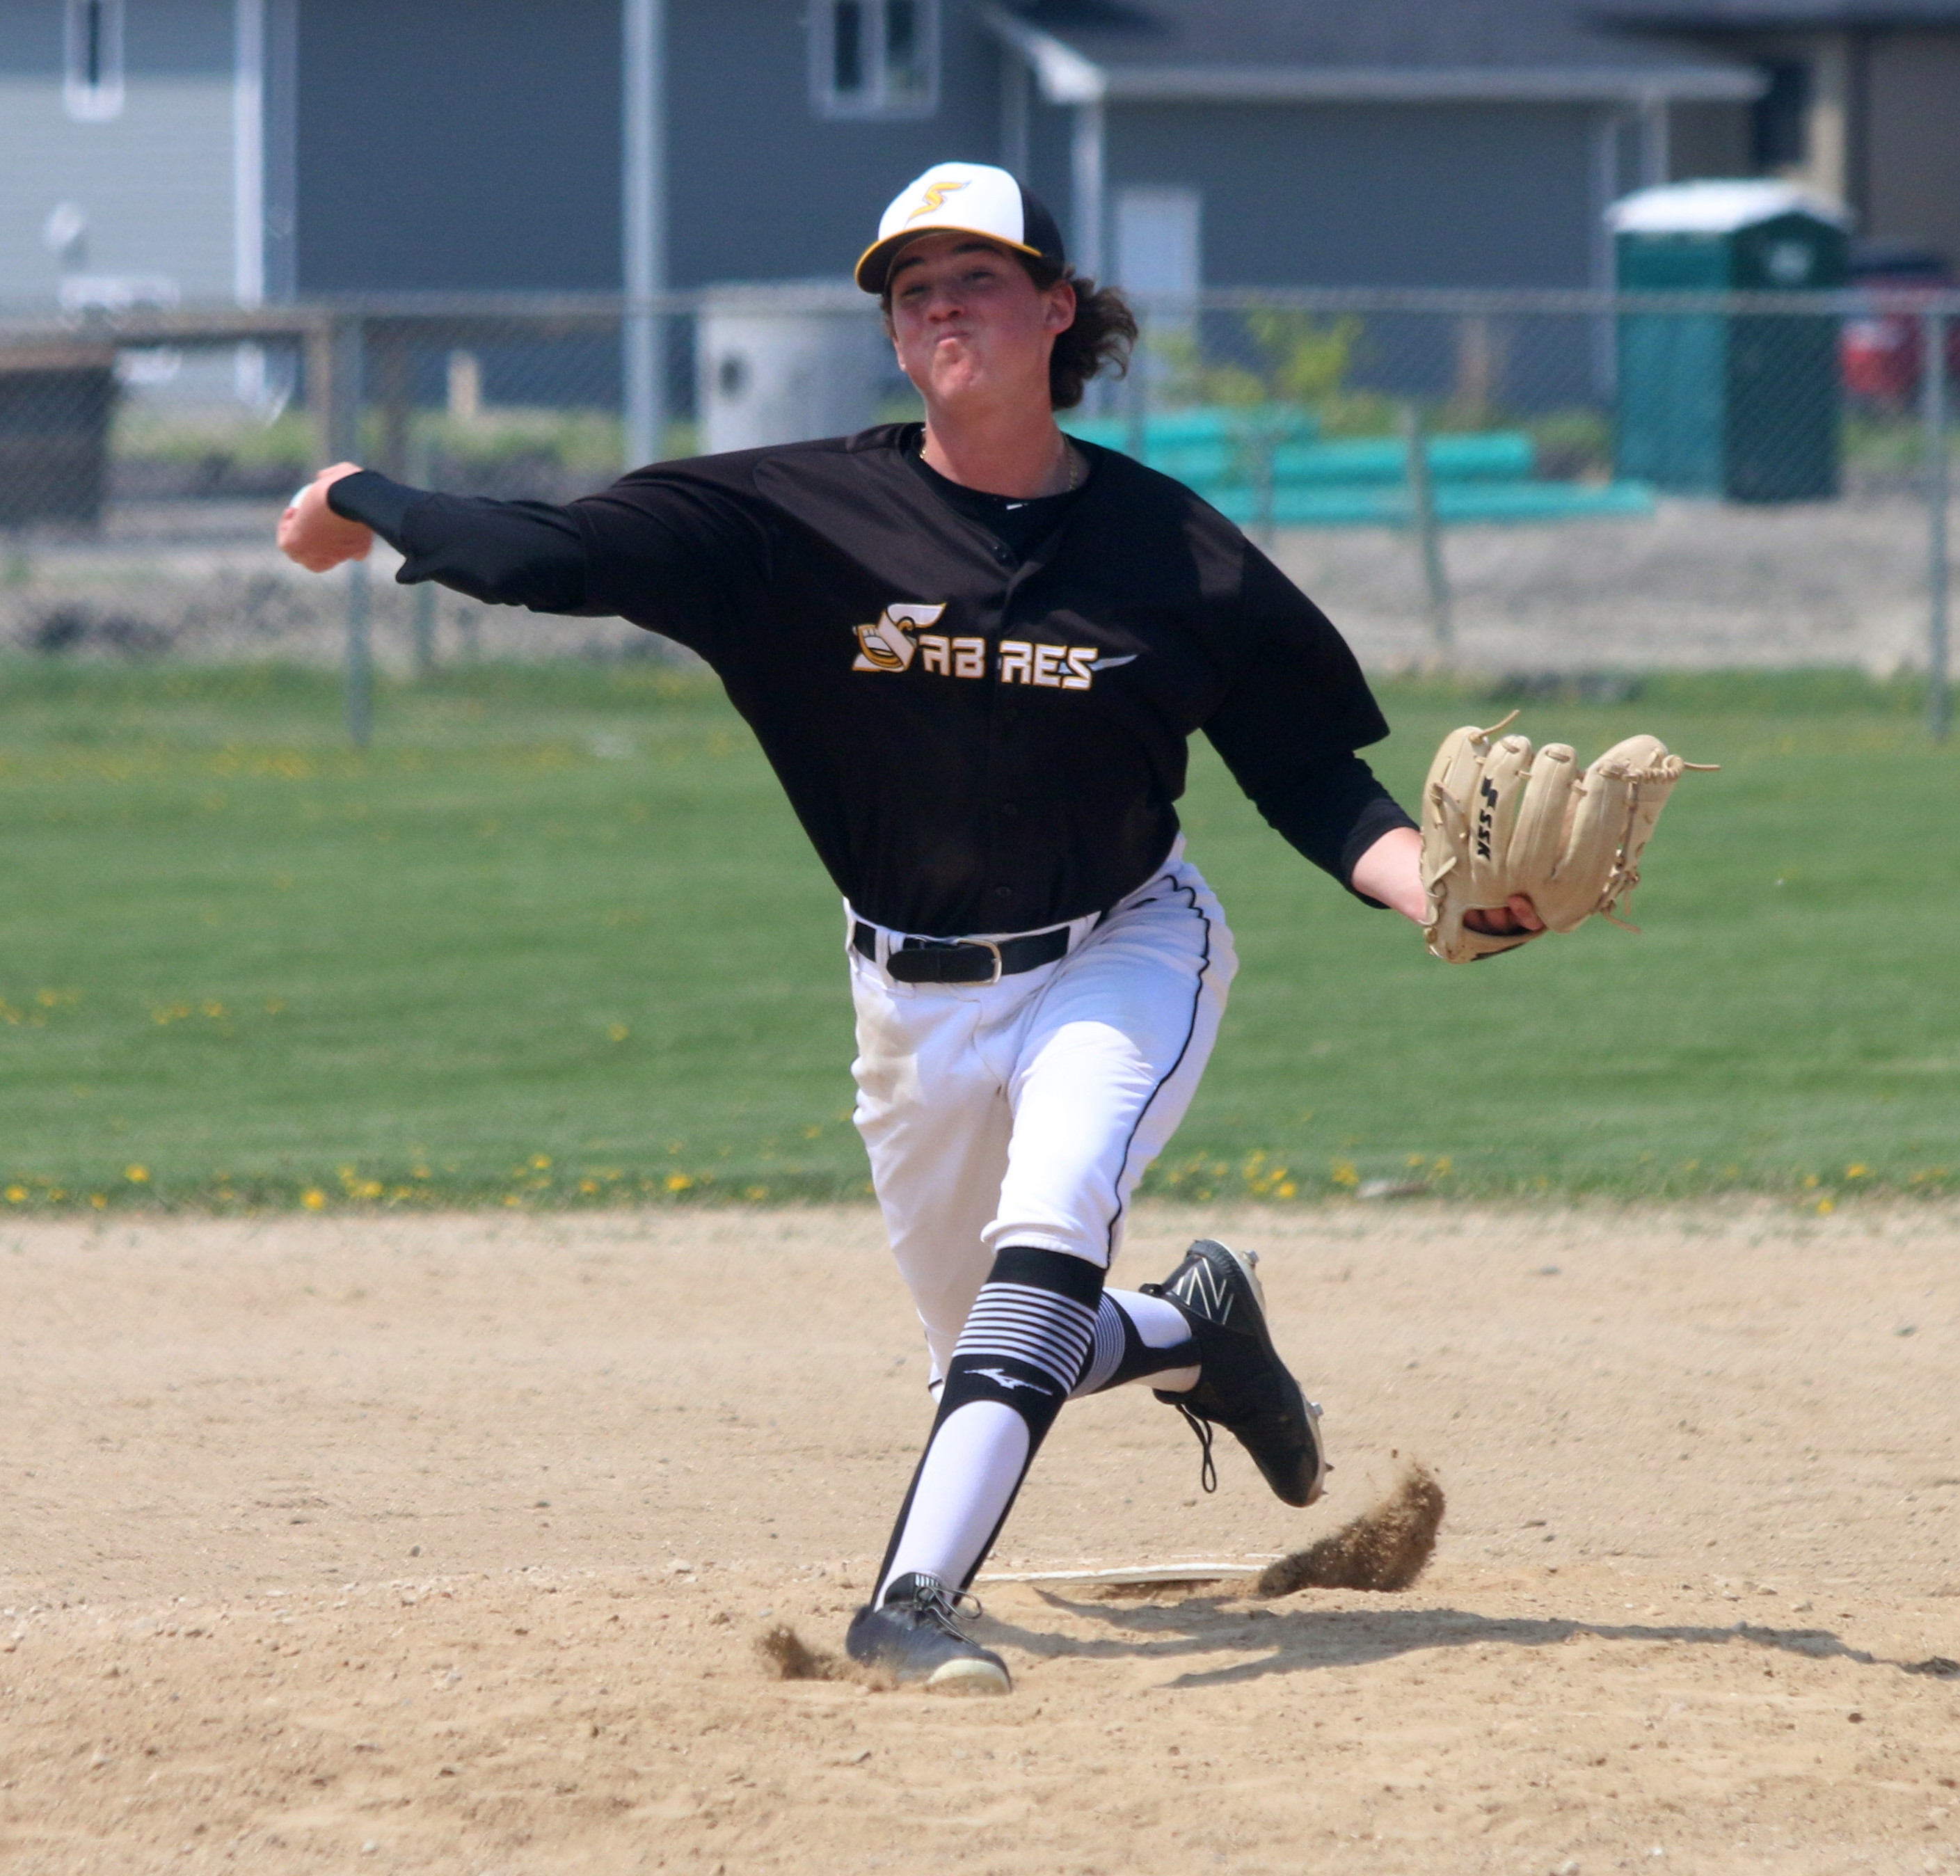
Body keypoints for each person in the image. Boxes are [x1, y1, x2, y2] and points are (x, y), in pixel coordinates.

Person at [278, 161, 1540, 1695]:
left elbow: (1303, 773)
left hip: (1122, 947)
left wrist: (1442, 896)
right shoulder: (785, 522)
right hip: (906, 995)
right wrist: (366, 497)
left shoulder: (1176, 553)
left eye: (978, 277)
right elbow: (547, 556)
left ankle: (907, 1603)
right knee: (1006, 1350)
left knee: (1048, 1235)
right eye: (910, 287)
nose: (940, 305)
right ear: (890, 333)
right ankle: (1201, 1330)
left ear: (1057, 310)